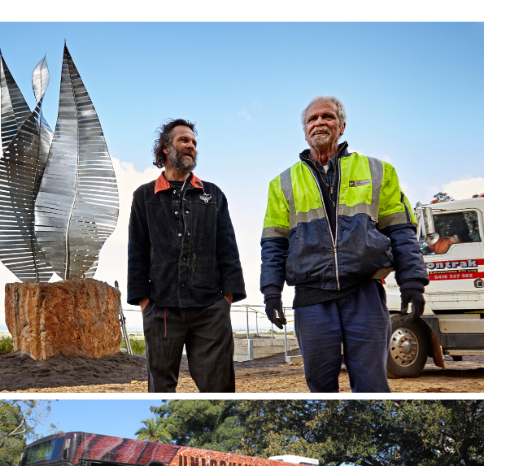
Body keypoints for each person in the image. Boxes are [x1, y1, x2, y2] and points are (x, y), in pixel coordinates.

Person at [260, 96, 428, 393]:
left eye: (327, 117)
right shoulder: (282, 183)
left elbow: (402, 232)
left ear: (342, 125)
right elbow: (273, 243)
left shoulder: (378, 172)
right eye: (312, 119)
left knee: (372, 386)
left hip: (365, 292)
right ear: (305, 130)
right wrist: (271, 292)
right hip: (311, 299)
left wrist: (412, 282)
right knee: (320, 387)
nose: (319, 122)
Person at [127, 119, 246, 393]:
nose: (190, 145)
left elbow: (228, 249)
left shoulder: (212, 195)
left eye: (193, 142)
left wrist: (226, 301)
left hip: (210, 310)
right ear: (166, 148)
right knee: (160, 389)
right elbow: (138, 251)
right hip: (162, 309)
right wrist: (145, 303)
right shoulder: (145, 196)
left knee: (219, 388)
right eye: (183, 140)